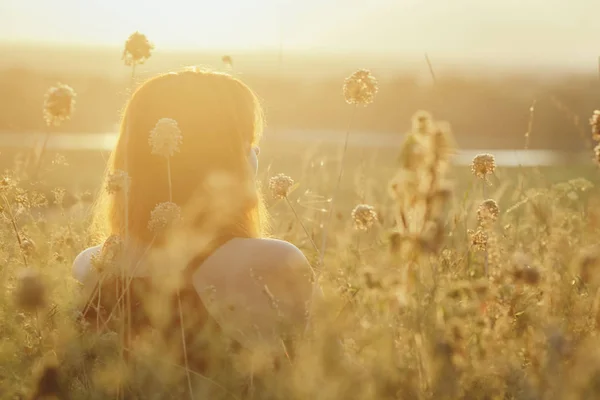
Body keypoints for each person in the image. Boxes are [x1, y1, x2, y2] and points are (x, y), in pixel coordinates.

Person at [71, 68, 316, 378]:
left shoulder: (90, 266)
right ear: (220, 160)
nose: (255, 153)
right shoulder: (275, 263)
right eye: (247, 142)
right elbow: (322, 376)